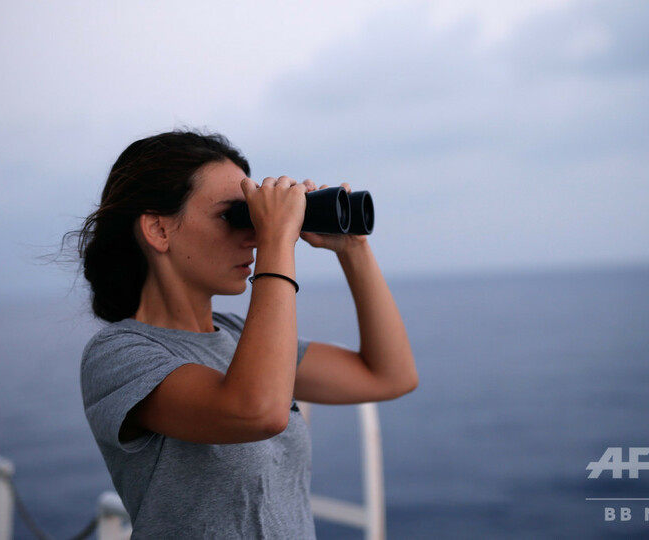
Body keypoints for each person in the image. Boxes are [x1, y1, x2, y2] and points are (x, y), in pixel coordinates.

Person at [75, 130, 417, 538]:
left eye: (254, 218)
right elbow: (257, 411)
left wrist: (353, 249)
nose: (253, 235)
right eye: (233, 216)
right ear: (158, 230)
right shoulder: (121, 356)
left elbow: (389, 375)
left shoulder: (239, 336)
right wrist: (277, 240)